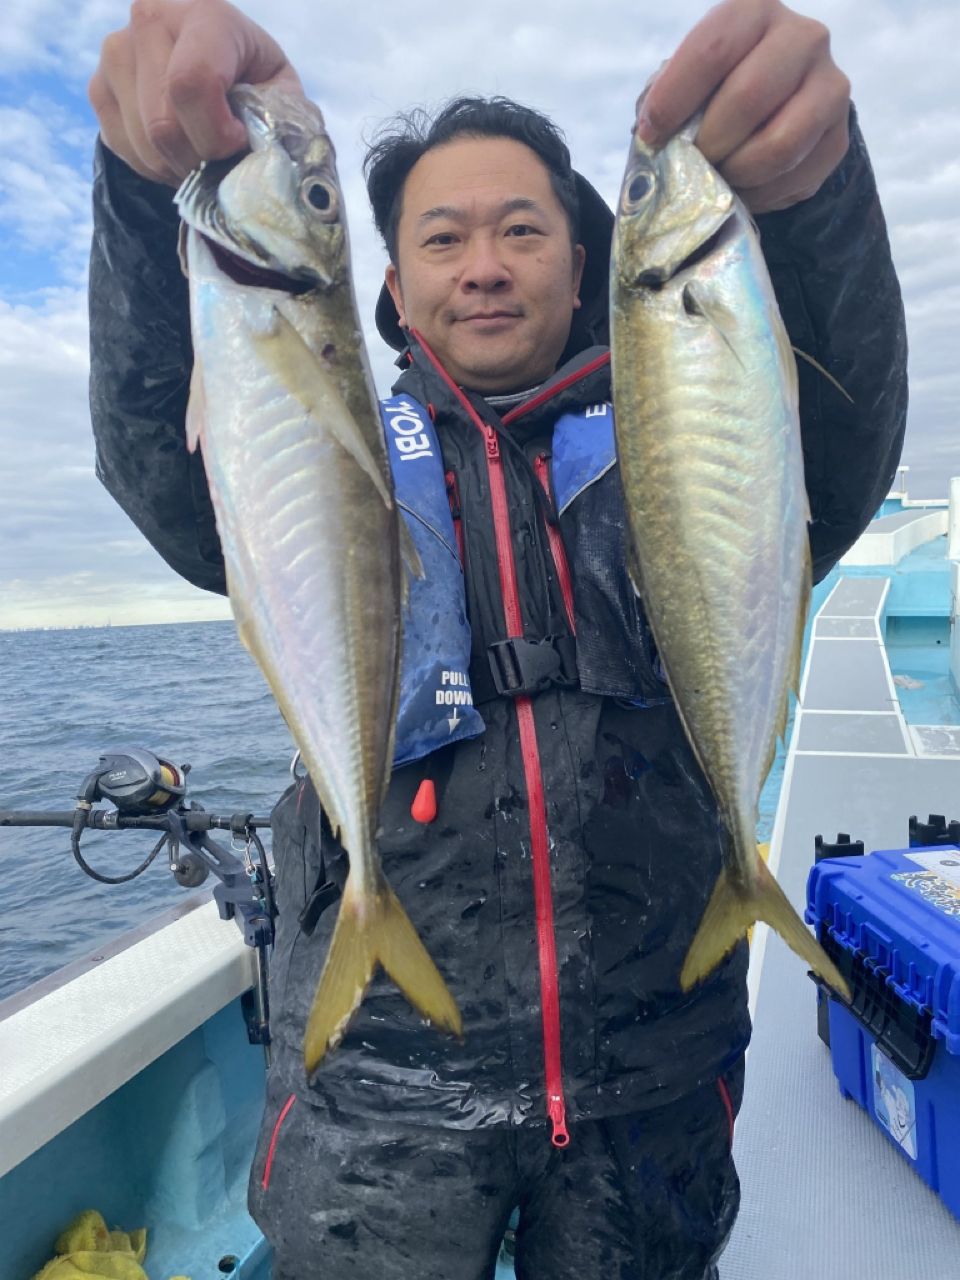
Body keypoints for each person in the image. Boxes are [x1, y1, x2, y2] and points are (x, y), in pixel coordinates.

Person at [87, 2, 907, 1276]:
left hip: (653, 1079)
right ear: (396, 291)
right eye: (443, 236)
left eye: (523, 229)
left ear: (585, 266)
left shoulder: (677, 440)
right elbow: (155, 443)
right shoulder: (325, 455)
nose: (485, 263)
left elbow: (838, 435)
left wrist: (812, 201)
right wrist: (151, 201)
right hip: (379, 1083)